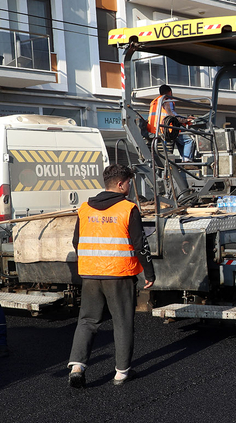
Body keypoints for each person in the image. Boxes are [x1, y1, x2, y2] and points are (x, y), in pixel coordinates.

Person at [67, 164, 155, 388]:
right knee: (122, 322)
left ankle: (77, 367)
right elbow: (140, 243)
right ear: (120, 184)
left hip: (89, 274)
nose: (129, 187)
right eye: (127, 183)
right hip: (119, 274)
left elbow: (76, 242)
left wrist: (91, 262)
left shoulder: (85, 208)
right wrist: (149, 272)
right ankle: (121, 373)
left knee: (87, 320)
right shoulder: (127, 208)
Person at [147, 84, 195, 161]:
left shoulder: (155, 101)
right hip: (167, 129)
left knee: (179, 140)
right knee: (189, 140)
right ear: (169, 92)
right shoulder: (166, 100)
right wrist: (186, 120)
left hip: (154, 130)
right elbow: (172, 115)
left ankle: (184, 160)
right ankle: (187, 161)